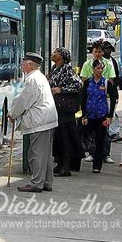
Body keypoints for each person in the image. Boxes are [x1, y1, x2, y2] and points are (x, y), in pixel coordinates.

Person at [8, 53, 58, 193]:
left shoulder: (32, 80)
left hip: (39, 121)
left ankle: (36, 183)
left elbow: (23, 100)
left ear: (30, 64)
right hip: (47, 119)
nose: (22, 64)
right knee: (45, 154)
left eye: (24, 62)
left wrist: (12, 114)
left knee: (36, 153)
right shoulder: (39, 77)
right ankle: (46, 181)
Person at [48, 47, 83, 176]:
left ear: (61, 57)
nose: (53, 54)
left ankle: (66, 166)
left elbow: (78, 84)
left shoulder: (67, 69)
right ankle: (59, 163)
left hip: (65, 109)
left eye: (55, 53)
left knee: (65, 137)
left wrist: (61, 90)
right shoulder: (54, 69)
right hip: (56, 108)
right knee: (58, 137)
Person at [81, 58, 118, 173]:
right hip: (90, 114)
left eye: (102, 68)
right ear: (93, 69)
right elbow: (83, 98)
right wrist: (84, 115)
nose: (100, 70)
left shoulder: (106, 82)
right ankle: (79, 158)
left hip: (101, 114)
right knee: (84, 135)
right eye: (98, 68)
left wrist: (110, 116)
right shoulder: (88, 82)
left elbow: (112, 98)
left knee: (100, 139)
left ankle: (97, 165)